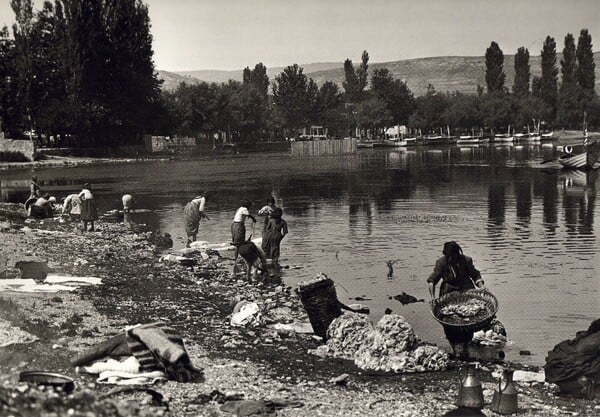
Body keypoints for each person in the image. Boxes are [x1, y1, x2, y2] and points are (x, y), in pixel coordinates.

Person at [427, 241, 485, 359]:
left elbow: (475, 275)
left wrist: (482, 287)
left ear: (458, 253)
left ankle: (465, 346)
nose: (452, 258)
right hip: (448, 291)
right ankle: (454, 348)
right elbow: (432, 281)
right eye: (449, 256)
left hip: (466, 290)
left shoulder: (466, 260)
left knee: (468, 322)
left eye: (454, 256)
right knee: (449, 323)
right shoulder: (441, 263)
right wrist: (432, 298)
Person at [231, 199, 257, 275]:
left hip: (234, 225)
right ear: (247, 206)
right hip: (239, 226)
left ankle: (236, 258)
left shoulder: (240, 208)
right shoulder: (244, 209)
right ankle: (237, 258)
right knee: (239, 243)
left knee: (237, 243)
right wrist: (253, 218)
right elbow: (248, 215)